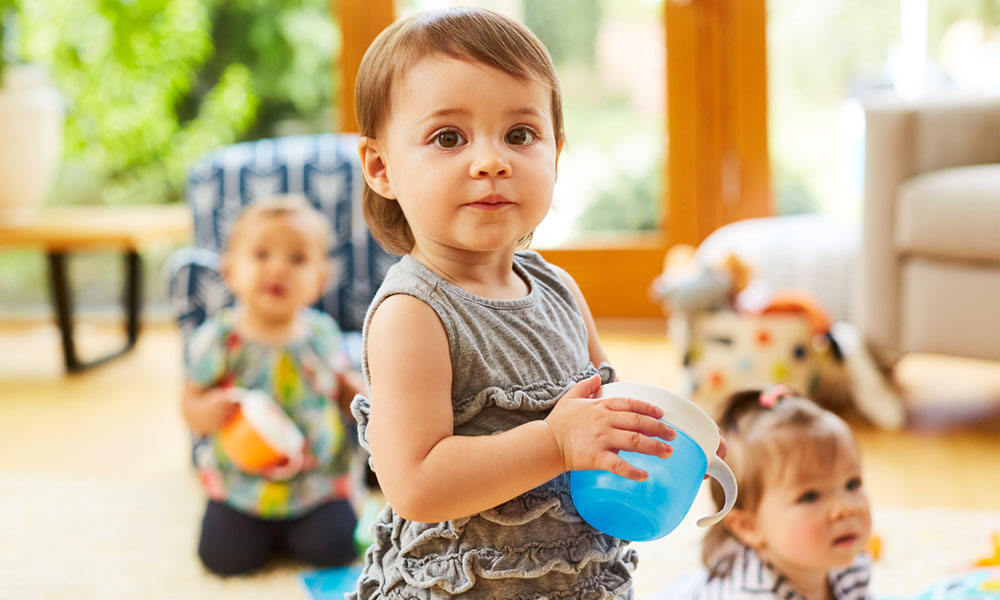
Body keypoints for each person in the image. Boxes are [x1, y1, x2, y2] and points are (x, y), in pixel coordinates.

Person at [346, 7, 722, 599]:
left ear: (556, 152)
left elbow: (604, 405)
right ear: (381, 166)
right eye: (449, 137)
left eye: (520, 135)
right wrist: (553, 443)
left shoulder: (560, 290)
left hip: (574, 576)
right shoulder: (412, 315)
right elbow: (415, 483)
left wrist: (669, 432)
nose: (491, 161)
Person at [182, 195, 365, 575]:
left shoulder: (321, 334)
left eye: (297, 259)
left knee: (335, 549)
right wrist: (205, 411)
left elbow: (344, 389)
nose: (277, 269)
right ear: (230, 270)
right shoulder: (220, 339)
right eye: (262, 255)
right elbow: (190, 402)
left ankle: (299, 530)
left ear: (320, 279)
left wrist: (358, 394)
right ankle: (264, 532)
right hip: (241, 484)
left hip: (316, 483)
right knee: (222, 559)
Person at [656, 385, 873, 600]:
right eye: (810, 496)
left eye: (852, 484)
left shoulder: (849, 561)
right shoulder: (750, 595)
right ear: (748, 526)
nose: (845, 508)